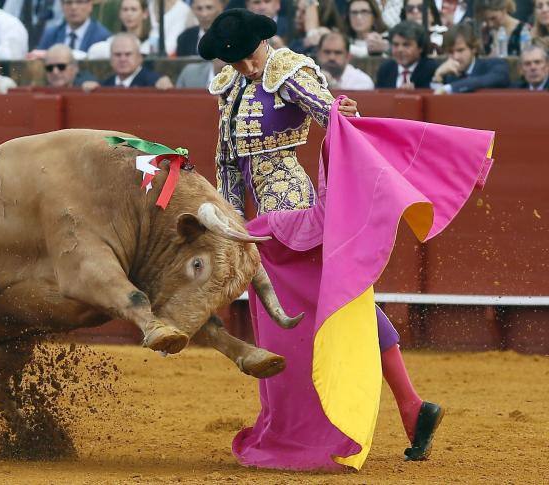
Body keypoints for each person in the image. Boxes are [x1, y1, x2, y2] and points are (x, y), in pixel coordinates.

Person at [198, 8, 445, 470]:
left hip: (293, 212)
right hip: (261, 226)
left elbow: (333, 117)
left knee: (333, 305)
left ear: (262, 44)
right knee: (337, 304)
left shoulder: (287, 72)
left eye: (249, 57)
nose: (247, 68)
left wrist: (344, 111)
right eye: (235, 62)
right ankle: (413, 407)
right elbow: (227, 163)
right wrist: (232, 226)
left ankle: (405, 408)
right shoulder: (230, 88)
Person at [432, 22, 510, 94]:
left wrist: (451, 88)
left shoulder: (494, 65)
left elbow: (499, 78)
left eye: (460, 50)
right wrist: (437, 76)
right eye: (450, 52)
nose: (456, 57)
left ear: (473, 49)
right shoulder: (446, 72)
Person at [82, 32, 172, 89]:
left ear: (139, 57)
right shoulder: (105, 85)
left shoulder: (154, 83)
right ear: (111, 59)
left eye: (128, 54)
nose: (122, 59)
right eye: (117, 54)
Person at [35, 0, 112, 56]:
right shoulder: (50, 34)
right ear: (62, 6)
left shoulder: (102, 36)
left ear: (90, 5)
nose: (73, 7)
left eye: (79, 2)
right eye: (68, 2)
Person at [376, 21, 438, 88]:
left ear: (420, 48)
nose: (400, 50)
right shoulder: (386, 69)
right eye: (396, 45)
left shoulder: (432, 69)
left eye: (406, 45)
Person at [87, 0, 155, 59]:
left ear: (145, 13)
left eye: (133, 9)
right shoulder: (112, 41)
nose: (129, 14)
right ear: (120, 14)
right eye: (125, 9)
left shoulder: (153, 41)